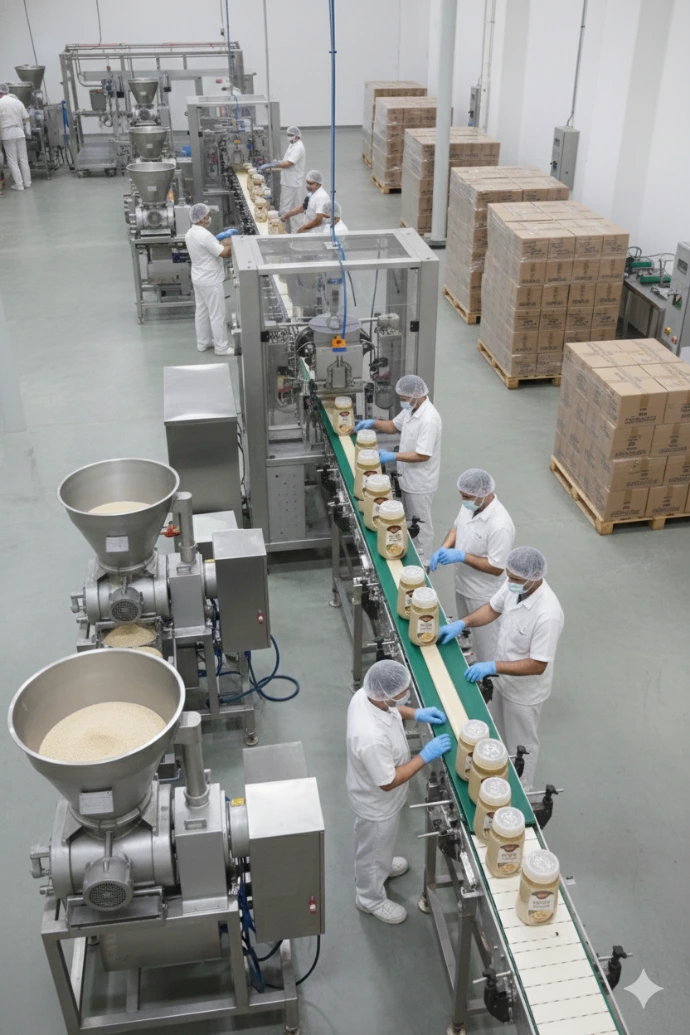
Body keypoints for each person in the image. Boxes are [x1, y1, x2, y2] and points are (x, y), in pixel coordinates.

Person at [438, 547, 564, 792]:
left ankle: (522, 792)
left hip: (524, 693)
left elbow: (538, 664)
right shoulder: (516, 584)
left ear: (534, 577)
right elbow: (492, 609)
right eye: (509, 576)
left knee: (521, 746)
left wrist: (492, 666)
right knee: (498, 733)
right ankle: (496, 775)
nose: (509, 582)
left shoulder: (548, 614)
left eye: (514, 579)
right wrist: (463, 623)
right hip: (502, 680)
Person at [346, 659, 451, 925]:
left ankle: (381, 865)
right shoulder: (370, 737)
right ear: (385, 694)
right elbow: (388, 781)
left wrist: (416, 713)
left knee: (378, 845)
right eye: (402, 692)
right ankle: (369, 898)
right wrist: (424, 756)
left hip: (381, 798)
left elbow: (392, 710)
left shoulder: (366, 696)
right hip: (377, 804)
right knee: (373, 846)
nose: (406, 694)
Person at [354, 375, 442, 565]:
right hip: (406, 476)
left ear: (417, 394)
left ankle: (424, 562)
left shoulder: (429, 420)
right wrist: (372, 422)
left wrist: (392, 456)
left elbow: (423, 455)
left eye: (404, 398)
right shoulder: (412, 409)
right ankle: (407, 550)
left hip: (420, 482)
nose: (402, 402)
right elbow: (394, 426)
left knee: (420, 523)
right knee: (407, 519)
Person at [429, 469, 515, 661]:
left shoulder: (500, 525)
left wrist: (461, 556)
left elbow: (496, 568)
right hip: (463, 584)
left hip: (483, 595)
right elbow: (456, 527)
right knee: (468, 629)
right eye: (462, 496)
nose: (463, 500)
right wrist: (444, 548)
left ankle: (487, 676)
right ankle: (471, 649)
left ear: (484, 493)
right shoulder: (471, 505)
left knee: (487, 649)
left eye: (466, 497)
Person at [184, 203, 236, 356]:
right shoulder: (205, 235)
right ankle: (221, 347)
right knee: (217, 314)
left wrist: (222, 242)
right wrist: (234, 242)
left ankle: (203, 342)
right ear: (203, 218)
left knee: (201, 311)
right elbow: (224, 254)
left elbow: (211, 246)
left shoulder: (190, 233)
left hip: (198, 278)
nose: (209, 218)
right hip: (211, 280)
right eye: (207, 215)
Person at [259, 126, 305, 233]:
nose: (289, 137)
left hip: (291, 182)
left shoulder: (299, 147)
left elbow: (289, 163)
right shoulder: (292, 145)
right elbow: (286, 161)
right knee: (295, 209)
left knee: (285, 208)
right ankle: (295, 232)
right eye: (288, 135)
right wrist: (275, 164)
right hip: (291, 181)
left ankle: (281, 231)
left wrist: (273, 165)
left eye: (291, 135)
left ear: (297, 136)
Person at [0, 83, 31, 192]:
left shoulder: (0, 103)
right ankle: (27, 182)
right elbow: (26, 118)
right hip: (19, 132)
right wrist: (23, 126)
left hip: (7, 133)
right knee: (23, 158)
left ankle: (19, 184)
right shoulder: (18, 102)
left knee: (12, 160)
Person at [281, 169, 329, 234]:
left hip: (318, 232)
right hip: (310, 229)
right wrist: (286, 215)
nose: (308, 186)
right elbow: (304, 207)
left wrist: (302, 229)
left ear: (318, 184)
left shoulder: (321, 197)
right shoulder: (312, 192)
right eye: (307, 183)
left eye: (311, 184)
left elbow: (318, 221)